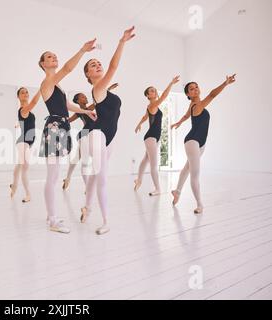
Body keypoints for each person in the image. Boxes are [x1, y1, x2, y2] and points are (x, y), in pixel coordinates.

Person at [80, 26, 136, 235]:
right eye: (93, 65)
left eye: (98, 63)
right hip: (97, 135)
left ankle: (87, 207)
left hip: (110, 138)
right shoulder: (97, 88)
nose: (98, 65)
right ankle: (105, 220)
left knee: (96, 176)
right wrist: (121, 42)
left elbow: (104, 100)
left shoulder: (103, 91)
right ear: (88, 75)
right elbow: (113, 67)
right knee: (102, 178)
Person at [38, 39, 98, 233]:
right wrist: (81, 50)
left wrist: (86, 112)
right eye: (49, 57)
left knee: (55, 175)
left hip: (61, 125)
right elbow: (67, 68)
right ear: (42, 64)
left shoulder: (57, 86)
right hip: (55, 127)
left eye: (54, 55)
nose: (53, 57)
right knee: (53, 176)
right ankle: (53, 220)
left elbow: (66, 106)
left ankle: (50, 215)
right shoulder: (48, 81)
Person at [171, 74, 236, 214]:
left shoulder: (192, 104)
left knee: (186, 168)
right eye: (191, 89)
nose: (195, 90)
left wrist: (179, 122)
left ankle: (177, 191)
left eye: (196, 87)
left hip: (201, 143)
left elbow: (187, 115)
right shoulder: (197, 104)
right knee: (195, 174)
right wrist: (225, 84)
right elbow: (212, 95)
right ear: (188, 94)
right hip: (192, 141)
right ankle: (200, 204)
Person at [134, 76, 180, 196]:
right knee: (154, 164)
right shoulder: (152, 105)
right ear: (148, 96)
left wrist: (139, 124)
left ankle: (138, 180)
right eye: (152, 91)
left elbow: (145, 117)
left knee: (146, 160)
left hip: (154, 137)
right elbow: (164, 96)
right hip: (151, 137)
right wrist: (171, 83)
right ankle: (158, 188)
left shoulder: (153, 107)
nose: (155, 92)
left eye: (155, 90)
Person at [10, 87, 41, 203]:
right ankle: (28, 194)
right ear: (18, 97)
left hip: (27, 141)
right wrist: (41, 90)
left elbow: (25, 121)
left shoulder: (25, 110)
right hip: (23, 142)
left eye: (27, 92)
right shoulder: (24, 109)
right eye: (22, 92)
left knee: (19, 165)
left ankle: (14, 186)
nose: (26, 93)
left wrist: (19, 125)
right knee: (25, 167)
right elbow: (34, 102)